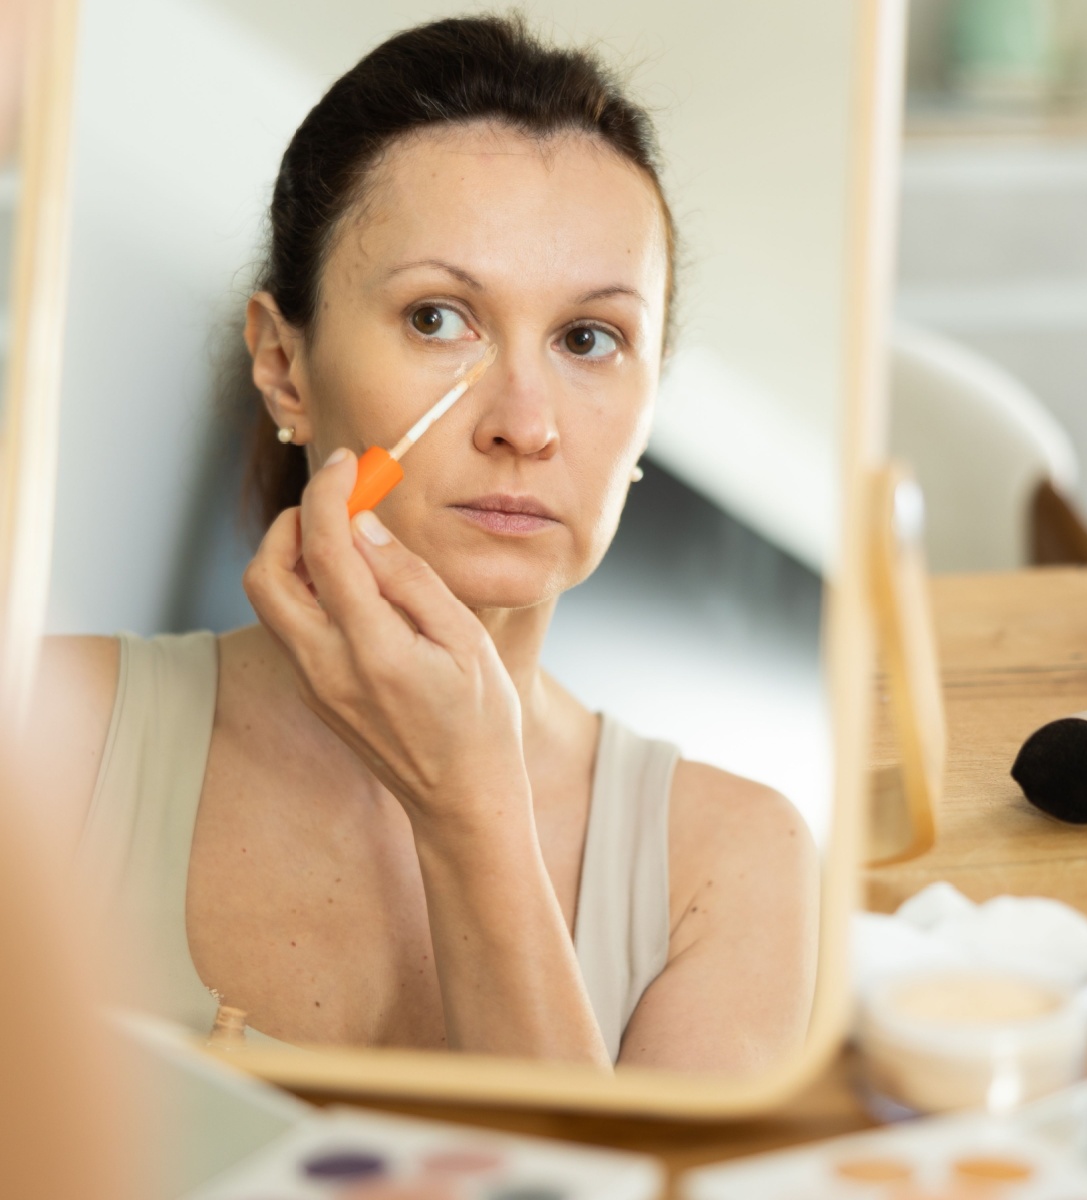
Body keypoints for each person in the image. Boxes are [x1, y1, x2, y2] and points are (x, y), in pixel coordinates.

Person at [30, 13, 817, 1073]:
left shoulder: (739, 862)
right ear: (283, 369)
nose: (525, 423)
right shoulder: (37, 740)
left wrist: (471, 816)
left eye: (590, 339)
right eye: (440, 319)